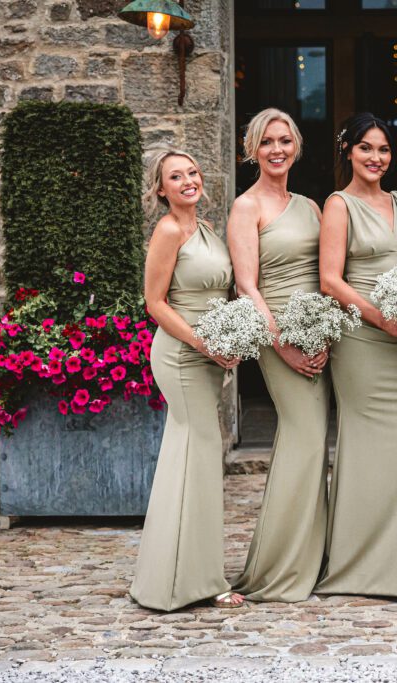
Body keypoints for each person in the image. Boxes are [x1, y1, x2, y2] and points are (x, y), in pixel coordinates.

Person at [316, 113, 397, 597]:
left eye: (383, 150)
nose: (376, 158)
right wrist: (380, 318)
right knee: (365, 447)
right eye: (366, 148)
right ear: (348, 151)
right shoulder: (339, 205)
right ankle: (358, 562)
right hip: (362, 338)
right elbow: (330, 279)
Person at [130, 149, 242, 611]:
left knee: (191, 457)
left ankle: (182, 572)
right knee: (197, 455)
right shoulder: (169, 230)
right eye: (175, 176)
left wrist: (234, 337)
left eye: (192, 172)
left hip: (210, 355)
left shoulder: (209, 230)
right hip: (180, 355)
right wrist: (204, 344)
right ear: (161, 189)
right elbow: (155, 303)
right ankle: (190, 582)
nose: (188, 180)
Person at [226, 108, 328, 602]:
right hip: (277, 335)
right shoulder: (246, 208)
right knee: (305, 438)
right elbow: (246, 285)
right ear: (252, 149)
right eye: (267, 142)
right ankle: (279, 568)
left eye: (285, 140)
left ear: (296, 146)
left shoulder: (310, 207)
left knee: (313, 441)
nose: (277, 150)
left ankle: (309, 555)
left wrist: (326, 332)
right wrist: (281, 345)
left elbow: (328, 273)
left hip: (319, 335)